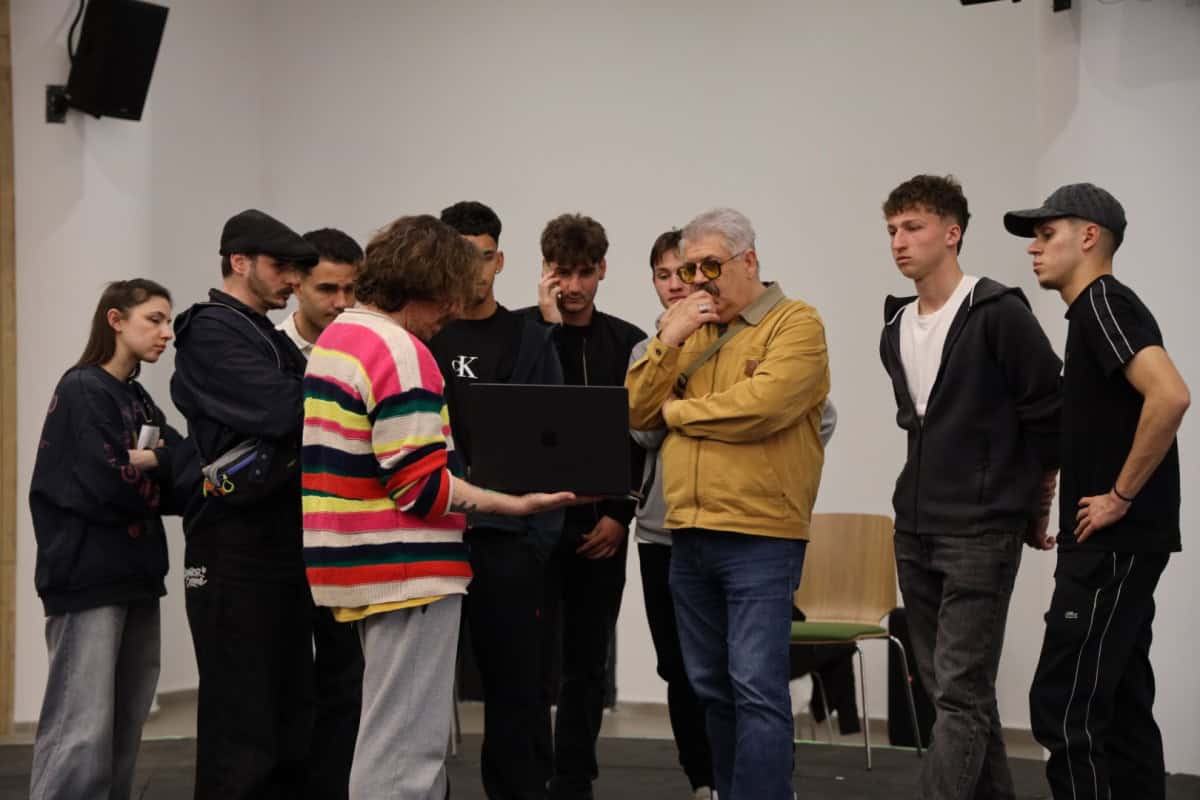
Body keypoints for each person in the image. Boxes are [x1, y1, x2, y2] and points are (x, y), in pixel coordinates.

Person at [301, 213, 577, 800]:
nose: (452, 312)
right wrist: (513, 504)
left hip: (356, 562)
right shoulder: (403, 353)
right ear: (424, 285)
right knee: (404, 756)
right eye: (448, 295)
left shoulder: (339, 337)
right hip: (406, 570)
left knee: (390, 742)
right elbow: (421, 489)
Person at [627, 207, 829, 800]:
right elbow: (635, 410)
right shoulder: (689, 331)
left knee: (756, 689)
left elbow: (761, 407)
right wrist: (667, 338)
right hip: (687, 534)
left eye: (709, 266)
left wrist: (677, 414)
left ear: (749, 260)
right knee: (710, 686)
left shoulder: (796, 324)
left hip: (760, 536)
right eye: (688, 269)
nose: (697, 281)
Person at [879, 175, 1062, 800]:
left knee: (958, 693)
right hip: (915, 528)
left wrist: (1037, 504)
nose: (899, 242)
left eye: (913, 227)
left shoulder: (999, 312)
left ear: (952, 233)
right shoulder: (896, 323)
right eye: (892, 230)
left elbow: (1048, 413)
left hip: (981, 530)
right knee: (956, 693)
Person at [1005, 183, 1190, 800]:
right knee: (1122, 705)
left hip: (1112, 544)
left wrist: (1120, 496)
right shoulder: (1090, 314)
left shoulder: (1104, 302)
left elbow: (1171, 395)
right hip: (1118, 543)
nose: (1033, 248)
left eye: (1046, 234)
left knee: (1065, 705)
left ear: (1089, 237)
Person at [170, 209, 320, 799]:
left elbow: (306, 406)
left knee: (290, 712)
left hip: (281, 542)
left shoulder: (262, 334)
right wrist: (315, 400)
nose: (293, 281)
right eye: (282, 267)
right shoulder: (210, 330)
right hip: (232, 549)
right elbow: (290, 410)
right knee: (242, 721)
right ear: (239, 261)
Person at [428, 201, 563, 800]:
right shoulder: (420, 336)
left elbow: (554, 437)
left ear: (500, 260)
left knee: (516, 691)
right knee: (419, 691)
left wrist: (537, 539)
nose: (473, 271)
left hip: (508, 542)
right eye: (460, 258)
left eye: (482, 258)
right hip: (430, 534)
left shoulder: (528, 338)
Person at [28, 279, 182, 800]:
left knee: (123, 722)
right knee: (80, 728)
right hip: (87, 578)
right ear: (116, 320)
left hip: (138, 575)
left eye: (168, 321)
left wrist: (151, 460)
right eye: (154, 319)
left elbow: (184, 462)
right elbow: (104, 481)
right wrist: (151, 468)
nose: (166, 333)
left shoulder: (136, 396)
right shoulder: (83, 389)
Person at [524, 212, 646, 800]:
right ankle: (528, 775)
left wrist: (621, 515)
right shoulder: (525, 336)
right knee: (527, 661)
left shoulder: (627, 342)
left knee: (587, 661)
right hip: (530, 525)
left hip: (600, 524)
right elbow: (525, 418)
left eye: (583, 273)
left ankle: (574, 780)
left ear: (601, 270)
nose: (572, 287)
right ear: (544, 271)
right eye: (560, 273)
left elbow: (640, 436)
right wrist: (549, 331)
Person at [276, 226, 364, 800]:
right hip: (280, 537)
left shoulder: (362, 351)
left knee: (344, 679)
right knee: (283, 681)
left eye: (350, 290)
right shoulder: (267, 352)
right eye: (327, 289)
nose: (340, 303)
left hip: (346, 537)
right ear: (296, 286)